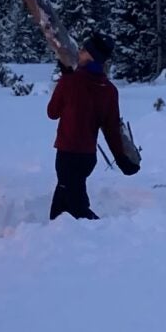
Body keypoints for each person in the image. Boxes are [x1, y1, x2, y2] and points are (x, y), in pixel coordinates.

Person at [47, 32, 122, 221]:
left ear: (92, 56)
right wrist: (121, 158)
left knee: (74, 206)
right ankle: (59, 236)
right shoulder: (109, 89)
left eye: (83, 50)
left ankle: (102, 233)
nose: (79, 52)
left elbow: (52, 112)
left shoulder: (70, 81)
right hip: (88, 157)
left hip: (67, 155)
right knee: (66, 201)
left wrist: (64, 81)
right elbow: (112, 128)